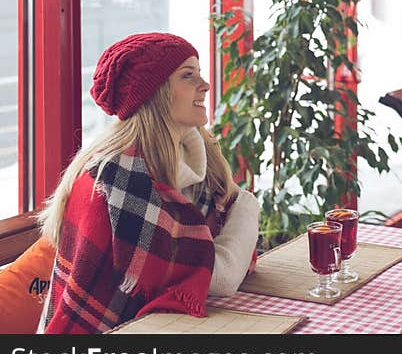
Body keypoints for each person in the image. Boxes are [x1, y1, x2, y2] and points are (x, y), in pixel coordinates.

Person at [37, 32, 260, 333]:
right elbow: (221, 276)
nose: (205, 85)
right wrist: (247, 204)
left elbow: (231, 260)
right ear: (154, 93)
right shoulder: (120, 174)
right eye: (188, 75)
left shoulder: (190, 160)